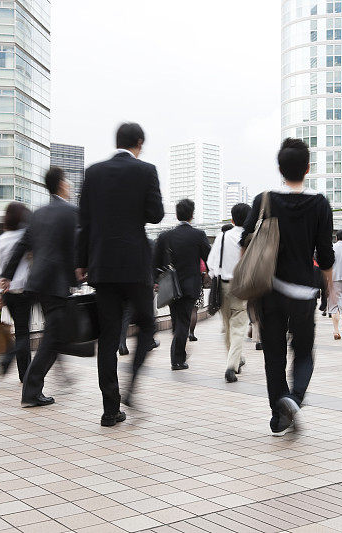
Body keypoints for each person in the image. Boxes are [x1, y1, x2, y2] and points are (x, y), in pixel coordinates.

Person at [241, 138, 335, 437]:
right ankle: (293, 399)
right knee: (304, 352)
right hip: (304, 292)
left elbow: (245, 243)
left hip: (270, 291)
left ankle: (278, 417)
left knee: (274, 354)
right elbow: (326, 254)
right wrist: (330, 289)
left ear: (280, 168)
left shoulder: (264, 199)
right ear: (308, 168)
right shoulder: (320, 203)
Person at [76, 123, 164, 426]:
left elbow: (83, 221)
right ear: (138, 142)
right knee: (148, 325)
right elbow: (155, 214)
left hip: (102, 265)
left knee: (108, 337)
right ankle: (132, 385)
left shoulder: (94, 172)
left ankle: (110, 409)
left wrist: (81, 262)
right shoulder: (146, 170)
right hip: (135, 265)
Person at [0, 168, 77, 408]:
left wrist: (7, 275)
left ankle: (34, 387)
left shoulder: (39, 213)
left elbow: (22, 245)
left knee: (56, 334)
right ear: (62, 185)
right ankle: (32, 389)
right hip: (57, 283)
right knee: (53, 337)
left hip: (39, 282)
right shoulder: (72, 212)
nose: (71, 187)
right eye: (69, 183)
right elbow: (79, 244)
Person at [153, 199, 211, 371]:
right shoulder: (198, 235)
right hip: (190, 286)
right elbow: (209, 258)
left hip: (170, 286)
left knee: (176, 320)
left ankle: (178, 354)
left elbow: (155, 262)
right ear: (192, 215)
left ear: (177, 215)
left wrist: (156, 281)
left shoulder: (165, 236)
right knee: (183, 322)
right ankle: (177, 359)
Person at [208, 203, 252, 383]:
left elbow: (212, 263)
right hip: (241, 286)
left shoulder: (222, 236)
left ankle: (232, 361)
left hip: (222, 286)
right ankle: (231, 366)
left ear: (232, 219)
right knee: (238, 327)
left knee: (227, 326)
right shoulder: (249, 238)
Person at [0, 202, 33, 383]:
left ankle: (23, 373)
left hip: (7, 290)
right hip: (24, 289)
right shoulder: (25, 236)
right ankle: (16, 366)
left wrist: (1, 294)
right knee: (24, 333)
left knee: (21, 331)